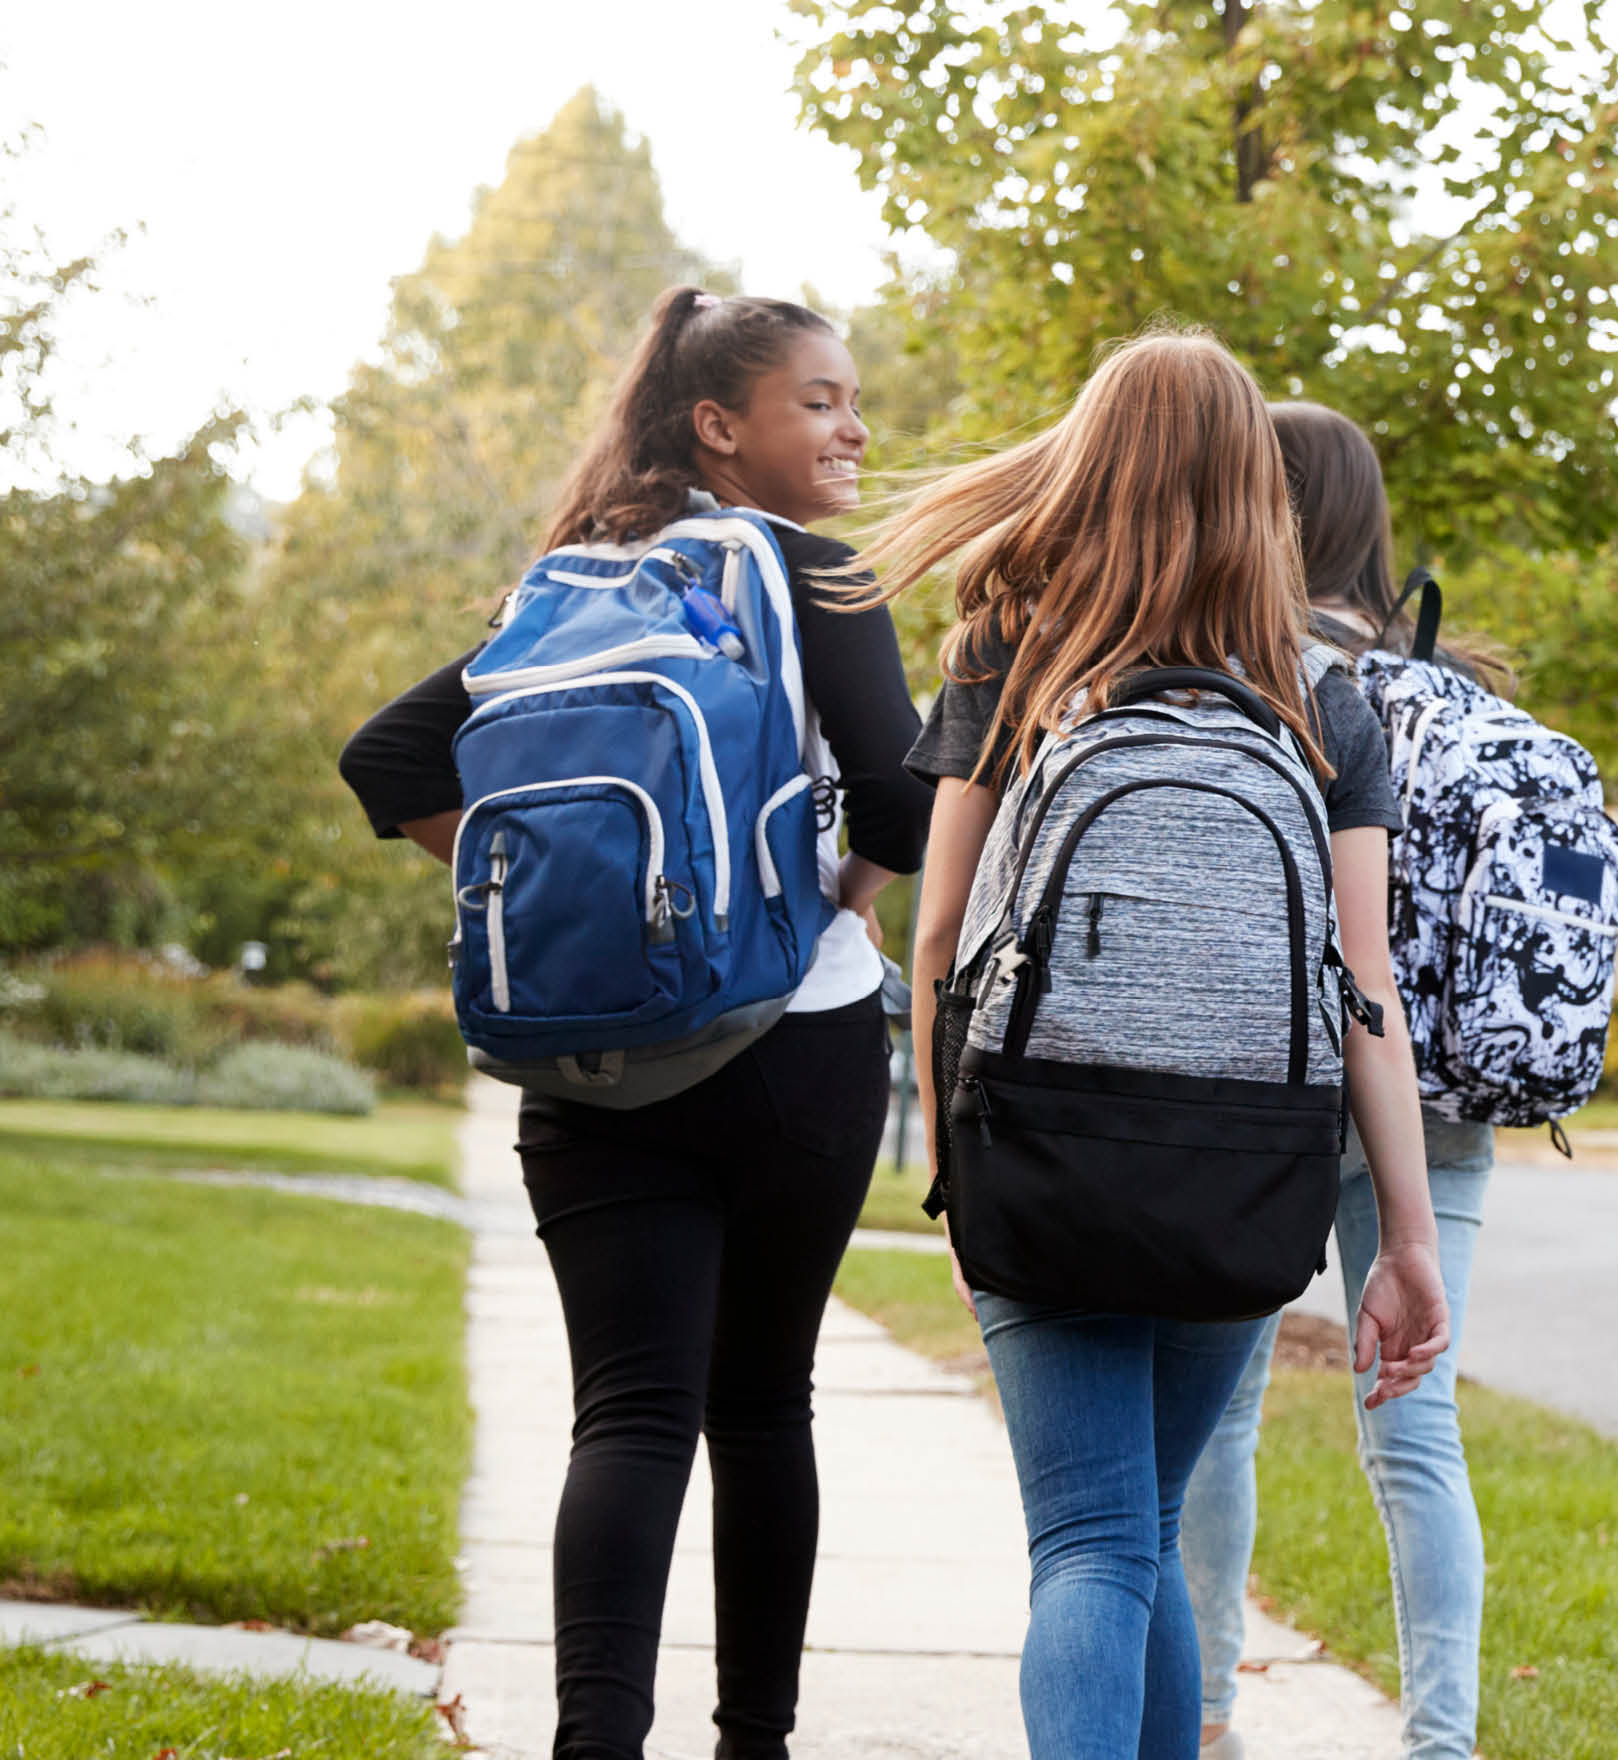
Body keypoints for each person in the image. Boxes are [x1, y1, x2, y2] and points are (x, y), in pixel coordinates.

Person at [336, 287, 929, 1760]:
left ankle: (592, 1742)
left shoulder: (564, 583)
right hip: (794, 1047)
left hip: (588, 1058)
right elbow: (912, 804)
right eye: (822, 401)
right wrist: (823, 898)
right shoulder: (815, 574)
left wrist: (561, 897)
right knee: (761, 1408)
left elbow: (387, 754)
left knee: (630, 1416)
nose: (855, 427)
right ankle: (753, 1746)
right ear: (721, 426)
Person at [875, 331, 1454, 1760]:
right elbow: (1362, 990)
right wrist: (1408, 1240)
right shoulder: (1321, 699)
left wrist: (954, 1169)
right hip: (1247, 1166)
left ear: (1086, 463)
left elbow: (938, 936)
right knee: (1142, 1531)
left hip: (1043, 1141)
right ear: (1257, 489)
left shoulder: (1011, 654)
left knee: (1088, 1544)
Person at [1178, 402, 1493, 1760]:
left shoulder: (1247, 675)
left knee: (1221, 1422)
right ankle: (1441, 1740)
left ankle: (1200, 1716)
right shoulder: (1460, 681)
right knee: (1419, 1436)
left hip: (1285, 1082)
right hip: (1444, 1105)